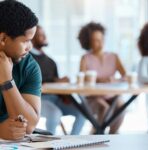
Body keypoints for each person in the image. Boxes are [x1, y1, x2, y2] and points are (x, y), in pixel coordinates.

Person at [31, 25, 85, 135]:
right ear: (31, 37)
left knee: (83, 112)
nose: (45, 37)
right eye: (41, 35)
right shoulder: (27, 59)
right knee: (55, 113)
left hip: (56, 99)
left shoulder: (50, 61)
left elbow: (55, 82)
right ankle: (50, 144)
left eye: (44, 34)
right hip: (39, 100)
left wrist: (64, 95)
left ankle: (71, 142)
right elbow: (32, 83)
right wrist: (56, 81)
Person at [0, 0, 41, 140]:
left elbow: (29, 126)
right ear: (3, 38)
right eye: (25, 41)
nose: (30, 48)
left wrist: (7, 81)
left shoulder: (29, 66)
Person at [78, 22, 126, 134]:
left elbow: (125, 76)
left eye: (102, 39)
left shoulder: (114, 57)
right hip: (93, 97)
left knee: (121, 106)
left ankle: (113, 135)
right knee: (103, 107)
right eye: (96, 40)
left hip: (111, 95)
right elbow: (82, 80)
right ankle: (97, 133)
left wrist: (113, 80)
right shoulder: (85, 58)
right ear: (89, 42)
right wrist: (97, 80)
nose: (101, 43)